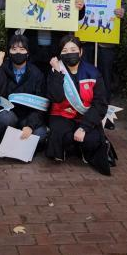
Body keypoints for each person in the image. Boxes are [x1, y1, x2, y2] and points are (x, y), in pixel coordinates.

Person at [69, 0, 126, 121]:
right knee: (82, 75)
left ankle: (103, 115)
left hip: (106, 40)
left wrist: (122, 12)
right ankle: (82, 111)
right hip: (83, 39)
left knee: (105, 77)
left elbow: (123, 5)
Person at [46, 36, 115, 175]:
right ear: (60, 54)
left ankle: (84, 149)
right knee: (60, 135)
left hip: (86, 116)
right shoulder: (56, 70)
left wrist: (84, 127)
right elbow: (56, 97)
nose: (69, 53)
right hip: (62, 114)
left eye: (73, 50)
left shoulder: (93, 72)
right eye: (65, 50)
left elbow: (100, 104)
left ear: (81, 52)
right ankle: (73, 149)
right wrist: (57, 73)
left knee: (92, 140)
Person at [0, 34, 48, 147]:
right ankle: (6, 145)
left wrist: (30, 125)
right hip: (8, 115)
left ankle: (20, 148)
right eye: (14, 49)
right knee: (6, 119)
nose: (18, 52)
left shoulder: (36, 74)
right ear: (9, 52)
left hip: (27, 117)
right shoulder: (2, 68)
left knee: (40, 135)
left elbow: (40, 106)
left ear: (28, 53)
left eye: (22, 49)